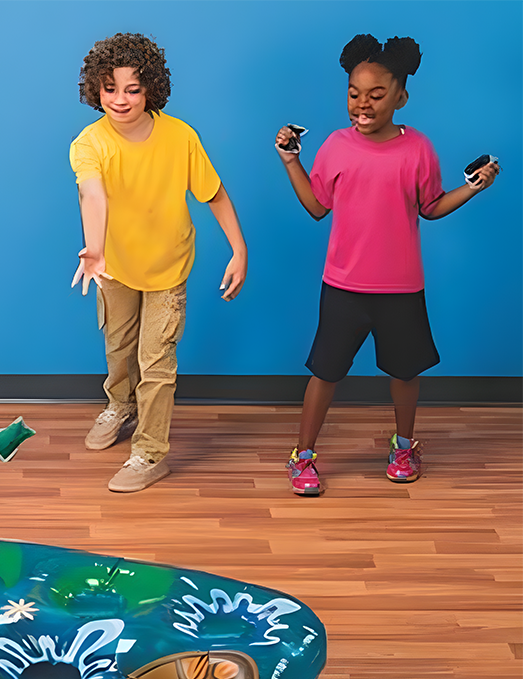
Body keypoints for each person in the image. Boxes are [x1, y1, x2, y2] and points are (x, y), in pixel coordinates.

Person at [276, 33, 500, 496]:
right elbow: (317, 206)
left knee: (405, 373)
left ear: (401, 98)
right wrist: (291, 161)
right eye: (354, 94)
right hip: (343, 286)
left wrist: (473, 187)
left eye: (376, 95)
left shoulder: (418, 149)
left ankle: (403, 448)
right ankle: (303, 455)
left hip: (401, 288)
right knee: (325, 373)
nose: (363, 104)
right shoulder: (336, 146)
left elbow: (431, 207)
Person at [70, 33, 247, 493]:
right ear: (95, 88)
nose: (120, 99)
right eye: (110, 88)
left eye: (132, 89)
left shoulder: (180, 136)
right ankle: (120, 406)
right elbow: (92, 193)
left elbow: (214, 193)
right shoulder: (89, 143)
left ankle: (149, 453)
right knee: (118, 347)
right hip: (113, 266)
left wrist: (239, 249)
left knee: (156, 361)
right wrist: (94, 248)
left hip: (168, 267)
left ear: (151, 88)